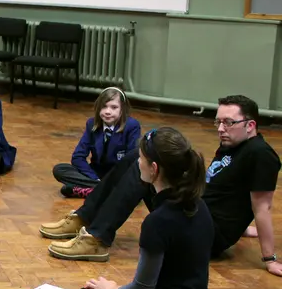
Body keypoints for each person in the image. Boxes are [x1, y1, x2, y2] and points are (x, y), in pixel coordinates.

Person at [45, 127, 212, 289]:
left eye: (141, 159)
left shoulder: (158, 221)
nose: (137, 162)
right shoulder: (198, 206)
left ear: (154, 169)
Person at [40, 95, 282, 276]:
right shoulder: (234, 144)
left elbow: (262, 207)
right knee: (140, 155)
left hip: (205, 235)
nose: (220, 129)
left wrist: (269, 258)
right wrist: (242, 227)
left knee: (143, 166)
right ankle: (85, 217)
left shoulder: (261, 155)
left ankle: (97, 240)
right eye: (218, 122)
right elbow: (226, 192)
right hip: (197, 215)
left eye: (228, 123)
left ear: (250, 125)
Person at [52, 87, 140, 198]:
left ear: (122, 109)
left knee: (135, 182)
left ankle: (90, 190)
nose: (108, 111)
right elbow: (78, 157)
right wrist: (94, 177)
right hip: (96, 173)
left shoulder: (132, 126)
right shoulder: (91, 124)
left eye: (114, 107)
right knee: (60, 169)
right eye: (104, 107)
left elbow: (132, 160)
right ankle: (103, 190)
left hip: (118, 175)